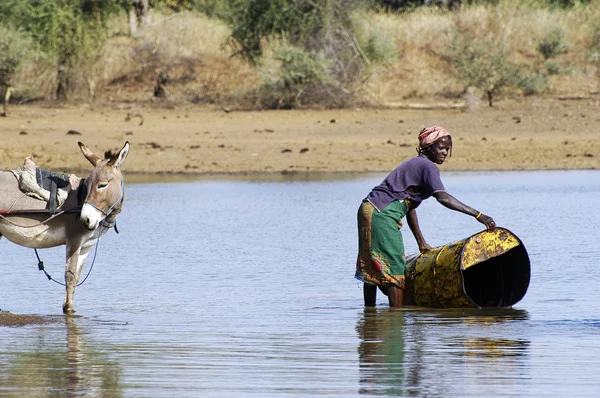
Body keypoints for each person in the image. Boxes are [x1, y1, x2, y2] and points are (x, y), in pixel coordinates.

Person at [355, 125, 496, 308]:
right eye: (442, 148)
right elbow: (442, 197)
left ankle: (370, 318)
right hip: (383, 213)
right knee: (395, 268)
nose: (445, 153)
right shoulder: (427, 166)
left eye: (448, 149)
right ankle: (396, 321)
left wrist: (421, 241)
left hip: (369, 209)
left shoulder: (416, 164)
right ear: (429, 148)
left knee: (373, 265)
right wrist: (478, 215)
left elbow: (409, 206)